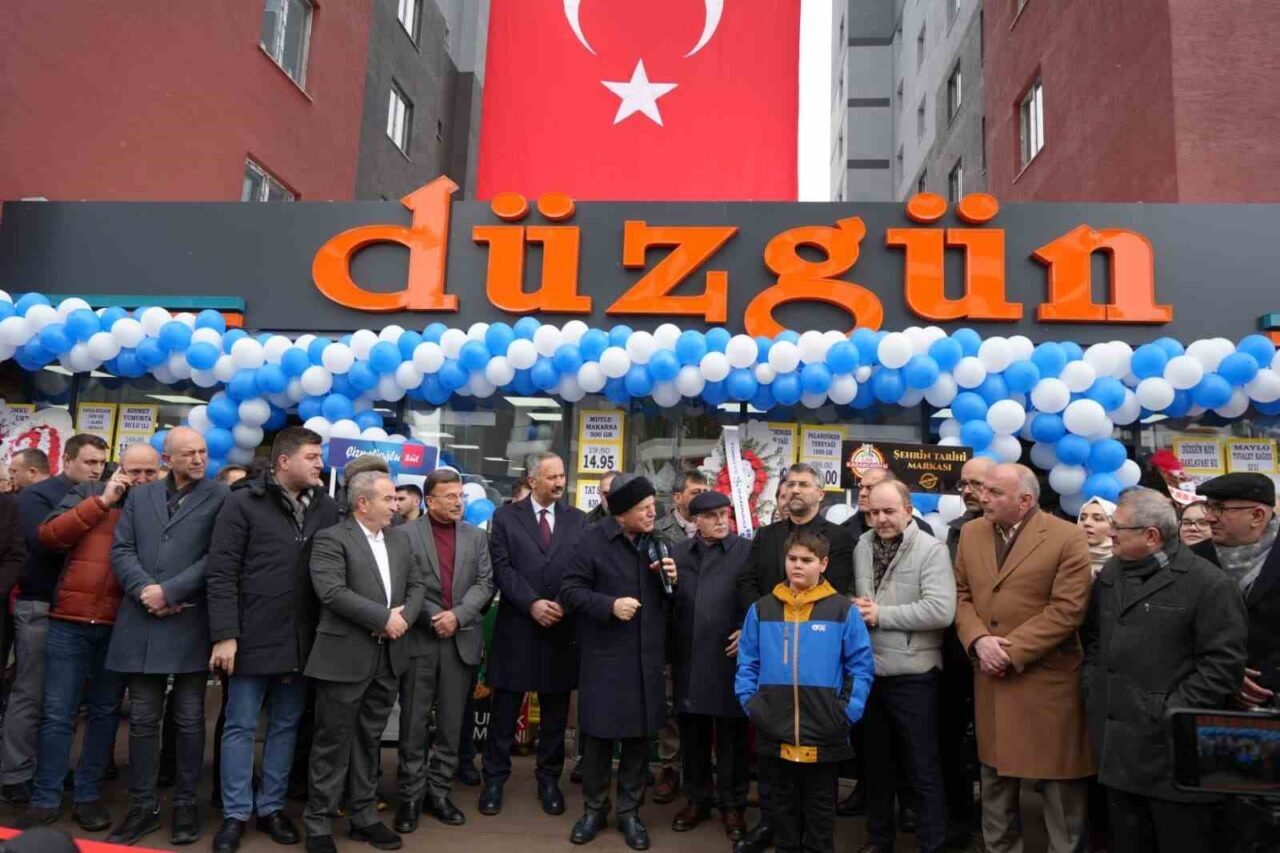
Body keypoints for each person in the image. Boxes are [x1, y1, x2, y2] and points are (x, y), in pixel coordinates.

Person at [1082, 487, 1247, 853]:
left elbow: (1223, 665)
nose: (1110, 533)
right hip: (1117, 748)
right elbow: (1094, 638)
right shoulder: (1112, 572)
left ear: (1151, 536)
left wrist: (1168, 709)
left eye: (1118, 527)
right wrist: (1094, 685)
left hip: (1172, 754)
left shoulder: (1208, 584)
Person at [206, 428, 339, 853]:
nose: (320, 464)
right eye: (312, 457)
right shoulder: (242, 502)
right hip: (250, 636)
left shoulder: (327, 507)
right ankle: (235, 814)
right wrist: (225, 635)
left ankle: (271, 808)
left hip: (302, 639)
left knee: (285, 726)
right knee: (240, 726)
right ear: (284, 461)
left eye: (320, 456)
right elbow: (221, 573)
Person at [18, 443, 160, 832]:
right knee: (58, 713)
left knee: (105, 713)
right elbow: (49, 536)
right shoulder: (90, 492)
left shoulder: (162, 506)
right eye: (134, 471)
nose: (141, 479)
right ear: (119, 469)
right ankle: (45, 798)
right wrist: (102, 502)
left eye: (150, 472)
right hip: (71, 618)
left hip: (121, 624)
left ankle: (87, 795)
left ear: (161, 471)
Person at [952, 463, 1093, 853]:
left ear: (1026, 500)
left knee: (1058, 784)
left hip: (1046, 681)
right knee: (995, 779)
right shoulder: (971, 533)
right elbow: (961, 596)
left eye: (994, 492)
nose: (982, 497)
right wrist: (979, 640)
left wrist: (1008, 651)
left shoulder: (1067, 537)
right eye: (983, 490)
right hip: (990, 677)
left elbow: (1067, 610)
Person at [105, 427, 229, 846]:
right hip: (142, 619)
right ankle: (142, 806)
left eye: (203, 451)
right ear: (167, 460)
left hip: (190, 618)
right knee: (142, 719)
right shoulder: (140, 497)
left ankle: (185, 805)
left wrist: (171, 591)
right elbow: (122, 549)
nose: (198, 459)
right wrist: (146, 590)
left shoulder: (222, 497)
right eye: (188, 453)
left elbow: (218, 556)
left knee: (190, 718)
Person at [303, 471, 425, 853]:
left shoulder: (400, 539)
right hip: (344, 658)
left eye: (396, 499)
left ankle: (365, 817)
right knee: (332, 741)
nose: (396, 505)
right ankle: (319, 823)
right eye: (388, 499)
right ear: (362, 503)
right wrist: (383, 618)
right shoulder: (331, 539)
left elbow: (418, 585)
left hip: (388, 658)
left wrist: (402, 620)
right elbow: (331, 591)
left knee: (370, 740)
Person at [736, 463, 854, 852]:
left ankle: (814, 839)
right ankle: (771, 828)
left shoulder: (840, 538)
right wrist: (763, 624)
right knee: (775, 771)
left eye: (804, 483)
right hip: (773, 656)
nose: (796, 490)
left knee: (818, 787)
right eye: (789, 483)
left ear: (821, 493)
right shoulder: (766, 536)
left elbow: (840, 590)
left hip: (818, 665)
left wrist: (846, 710)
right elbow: (747, 581)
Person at [559, 474, 678, 850]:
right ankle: (594, 810)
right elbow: (570, 591)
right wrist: (609, 605)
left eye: (653, 506)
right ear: (621, 513)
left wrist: (673, 582)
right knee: (598, 739)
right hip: (605, 658)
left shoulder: (659, 542)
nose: (652, 513)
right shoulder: (591, 541)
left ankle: (630, 812)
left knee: (638, 741)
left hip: (646, 659)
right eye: (644, 508)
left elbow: (672, 602)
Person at [480, 452, 587, 817]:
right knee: (504, 710)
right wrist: (532, 604)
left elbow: (581, 570)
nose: (559, 483)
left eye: (562, 476)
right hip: (518, 627)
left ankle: (549, 780)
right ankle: (494, 779)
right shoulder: (506, 517)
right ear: (532, 481)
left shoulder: (578, 520)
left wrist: (560, 604)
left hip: (560, 627)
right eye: (551, 477)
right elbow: (502, 569)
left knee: (555, 712)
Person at [3, 434, 107, 805]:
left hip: (75, 609)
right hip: (40, 602)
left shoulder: (99, 495)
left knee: (62, 699)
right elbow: (46, 544)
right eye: (90, 462)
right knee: (31, 691)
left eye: (101, 463)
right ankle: (14, 772)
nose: (97, 470)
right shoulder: (38, 496)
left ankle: (48, 767)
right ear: (67, 460)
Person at [852, 480, 955, 853]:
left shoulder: (932, 550)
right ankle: (879, 840)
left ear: (908, 511)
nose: (880, 519)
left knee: (922, 767)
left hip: (915, 674)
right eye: (874, 512)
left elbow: (941, 611)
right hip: (871, 672)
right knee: (877, 765)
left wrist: (880, 614)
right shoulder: (862, 546)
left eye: (889, 511)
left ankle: (932, 843)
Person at [393, 468, 494, 831]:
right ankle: (410, 796)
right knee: (413, 723)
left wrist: (458, 616)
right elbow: (403, 585)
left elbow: (485, 583)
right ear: (429, 500)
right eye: (450, 496)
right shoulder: (404, 535)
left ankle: (439, 792)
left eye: (460, 496)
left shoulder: (476, 537)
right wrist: (435, 617)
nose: (458, 502)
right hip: (420, 640)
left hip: (460, 639)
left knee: (452, 724)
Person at [668, 491, 750, 840]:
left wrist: (748, 631)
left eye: (724, 514)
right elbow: (667, 602)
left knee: (732, 737)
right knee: (692, 734)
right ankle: (696, 799)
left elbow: (760, 599)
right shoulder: (678, 554)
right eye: (712, 516)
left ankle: (733, 805)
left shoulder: (745, 551)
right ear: (695, 520)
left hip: (729, 655)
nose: (720, 521)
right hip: (688, 655)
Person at [938, 455, 992, 845]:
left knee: (997, 740)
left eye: (978, 484)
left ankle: (997, 817)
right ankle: (958, 816)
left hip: (1003, 650)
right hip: (958, 651)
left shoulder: (1020, 530)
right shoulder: (956, 531)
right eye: (964, 485)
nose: (969, 491)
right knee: (951, 737)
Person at [1196, 473, 1280, 716]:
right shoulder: (1190, 559)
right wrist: (1226, 672)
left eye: (1220, 509)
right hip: (1206, 702)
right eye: (1208, 507)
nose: (1209, 517)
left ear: (1257, 515)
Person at [651, 470, 709, 804]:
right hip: (670, 628)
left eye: (705, 490)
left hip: (703, 632)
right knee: (671, 702)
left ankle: (700, 771)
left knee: (700, 700)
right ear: (677, 498)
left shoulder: (713, 531)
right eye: (695, 491)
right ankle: (670, 768)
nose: (702, 496)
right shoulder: (658, 531)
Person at [842, 467, 935, 539]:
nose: (862, 493)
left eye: (870, 488)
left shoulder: (921, 529)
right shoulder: (844, 531)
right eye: (861, 487)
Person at [1078, 496, 1116, 578]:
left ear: (1113, 526)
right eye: (1082, 518)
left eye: (1097, 519)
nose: (1086, 523)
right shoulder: (1066, 557)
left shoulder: (1125, 561)